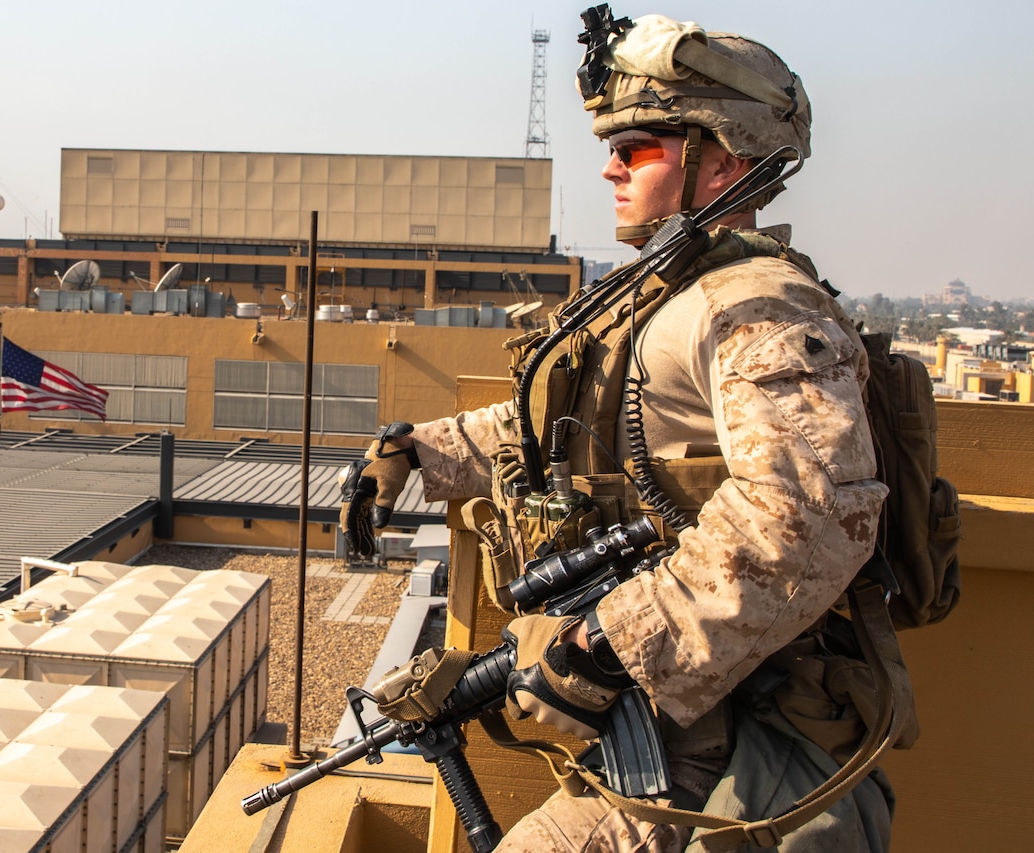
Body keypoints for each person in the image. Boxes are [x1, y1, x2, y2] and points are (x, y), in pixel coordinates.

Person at [341, 7, 899, 852]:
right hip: (665, 726)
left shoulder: (755, 306)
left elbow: (810, 515)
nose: (608, 166)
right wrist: (418, 451)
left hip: (726, 751)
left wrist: (605, 646)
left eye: (638, 147)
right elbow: (565, 434)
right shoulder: (663, 300)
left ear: (725, 158)